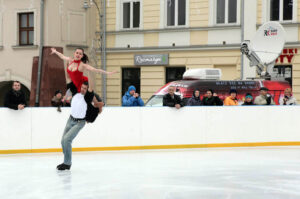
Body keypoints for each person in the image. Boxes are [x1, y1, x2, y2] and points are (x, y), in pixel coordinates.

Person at [57, 80, 95, 171]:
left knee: (67, 139)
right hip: (70, 120)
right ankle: (66, 160)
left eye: (85, 88)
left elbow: (91, 88)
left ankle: (67, 163)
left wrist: (89, 70)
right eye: (82, 87)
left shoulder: (88, 97)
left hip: (79, 123)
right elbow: (69, 78)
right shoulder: (75, 93)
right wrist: (69, 66)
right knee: (63, 141)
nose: (83, 90)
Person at [50, 47, 117, 93]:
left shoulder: (82, 65)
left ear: (82, 56)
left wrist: (108, 73)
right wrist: (55, 51)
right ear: (74, 53)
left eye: (80, 54)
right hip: (74, 86)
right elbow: (62, 56)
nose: (78, 55)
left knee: (89, 98)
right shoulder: (70, 60)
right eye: (77, 53)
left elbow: (95, 70)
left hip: (83, 85)